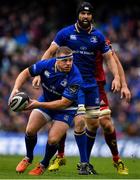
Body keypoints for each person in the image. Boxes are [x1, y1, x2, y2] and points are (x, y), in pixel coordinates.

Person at [32, 1, 121, 175]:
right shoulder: (65, 33)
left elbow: (110, 58)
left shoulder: (98, 36)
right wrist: (38, 72)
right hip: (73, 83)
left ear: (92, 16)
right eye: (82, 14)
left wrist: (117, 77)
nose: (85, 17)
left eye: (88, 14)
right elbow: (50, 52)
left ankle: (78, 160)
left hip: (92, 84)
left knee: (93, 123)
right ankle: (78, 162)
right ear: (78, 15)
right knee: (79, 120)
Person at [48, 39, 131, 175]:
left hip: (96, 86)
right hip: (73, 84)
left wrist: (124, 84)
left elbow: (114, 61)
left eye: (89, 15)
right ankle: (61, 156)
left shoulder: (100, 40)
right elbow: (55, 55)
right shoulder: (71, 37)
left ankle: (116, 160)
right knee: (66, 116)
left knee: (105, 123)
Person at [9, 46, 86, 176]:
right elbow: (25, 73)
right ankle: (28, 157)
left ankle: (43, 164)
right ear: (57, 60)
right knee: (30, 130)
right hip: (46, 99)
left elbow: (63, 103)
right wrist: (15, 89)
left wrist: (38, 104)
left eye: (71, 60)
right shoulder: (46, 64)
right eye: (65, 60)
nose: (69, 63)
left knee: (53, 140)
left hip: (66, 109)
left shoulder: (75, 77)